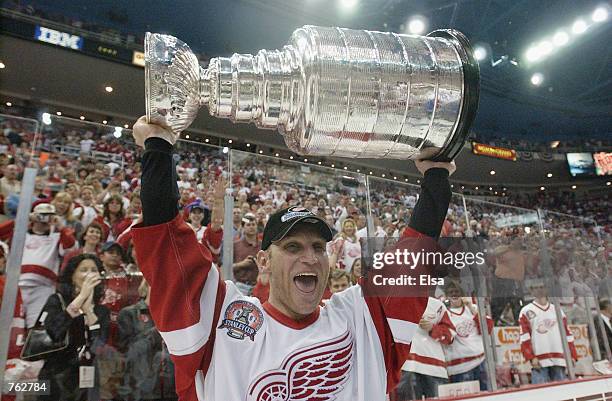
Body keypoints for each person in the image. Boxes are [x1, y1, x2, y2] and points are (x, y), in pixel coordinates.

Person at [130, 117, 455, 400]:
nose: (311, 257)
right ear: (264, 262)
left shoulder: (360, 316)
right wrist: (158, 149)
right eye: (293, 247)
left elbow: (414, 254)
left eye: (318, 247)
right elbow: (168, 247)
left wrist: (436, 177)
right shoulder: (223, 320)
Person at [37, 254, 110, 401]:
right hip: (55, 377)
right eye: (84, 270)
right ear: (72, 275)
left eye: (93, 270)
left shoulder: (102, 311)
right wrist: (80, 299)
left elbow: (98, 347)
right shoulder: (57, 301)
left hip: (86, 382)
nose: (89, 274)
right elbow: (53, 332)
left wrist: (89, 311)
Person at [0, 202, 78, 328]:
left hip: (43, 288)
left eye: (50, 216)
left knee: (36, 327)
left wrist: (61, 226)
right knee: (11, 327)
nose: (45, 219)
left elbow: (71, 246)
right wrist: (22, 218)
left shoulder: (57, 237)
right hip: (15, 287)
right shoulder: (19, 234)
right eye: (42, 215)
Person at [117, 280, 177, 400]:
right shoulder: (129, 313)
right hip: (139, 389)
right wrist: (158, 330)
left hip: (171, 389)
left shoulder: (176, 315)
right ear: (146, 285)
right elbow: (128, 352)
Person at [396, 297, 456, 400]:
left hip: (434, 368)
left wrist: (433, 328)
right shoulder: (396, 303)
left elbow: (450, 336)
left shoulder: (437, 305)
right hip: (407, 366)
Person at [519, 280, 577, 384]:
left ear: (546, 289)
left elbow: (567, 335)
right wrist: (531, 357)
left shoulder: (558, 310)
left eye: (542, 287)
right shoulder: (526, 311)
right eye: (536, 288)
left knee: (561, 393)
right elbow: (524, 337)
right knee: (541, 394)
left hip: (559, 358)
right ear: (531, 291)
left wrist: (572, 355)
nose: (539, 290)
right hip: (539, 360)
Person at [444, 280, 492, 391]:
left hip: (480, 363)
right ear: (447, 295)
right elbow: (446, 338)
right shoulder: (444, 313)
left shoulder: (473, 308)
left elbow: (488, 328)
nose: (454, 294)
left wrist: (470, 306)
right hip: (460, 368)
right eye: (451, 292)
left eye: (457, 291)